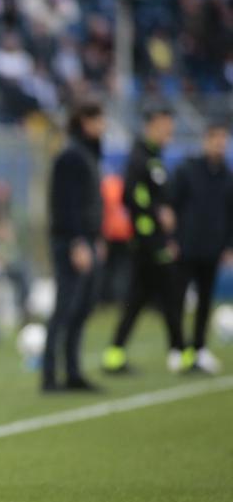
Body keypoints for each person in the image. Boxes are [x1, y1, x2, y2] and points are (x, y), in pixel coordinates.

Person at [102, 104, 193, 375]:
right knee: (168, 294)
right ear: (152, 125)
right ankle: (181, 352)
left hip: (152, 240)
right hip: (148, 242)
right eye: (165, 124)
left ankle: (116, 353)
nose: (170, 130)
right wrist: (157, 216)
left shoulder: (154, 156)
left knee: (142, 297)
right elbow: (131, 195)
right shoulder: (140, 157)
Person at [42, 100, 105, 393]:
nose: (102, 126)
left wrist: (97, 238)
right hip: (71, 242)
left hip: (87, 240)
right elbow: (66, 206)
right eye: (97, 120)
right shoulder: (70, 157)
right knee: (65, 308)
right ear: (84, 121)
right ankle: (50, 376)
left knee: (82, 308)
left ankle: (73, 372)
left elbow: (91, 204)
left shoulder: (88, 155)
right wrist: (78, 241)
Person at [170, 121, 233, 373]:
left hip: (212, 248)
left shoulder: (227, 176)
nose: (220, 143)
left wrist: (228, 245)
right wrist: (172, 239)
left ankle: (199, 347)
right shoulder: (188, 170)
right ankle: (177, 348)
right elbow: (172, 206)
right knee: (178, 300)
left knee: (206, 300)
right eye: (215, 138)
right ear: (205, 140)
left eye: (223, 138)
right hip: (186, 246)